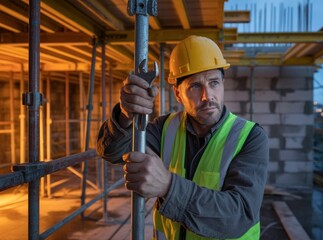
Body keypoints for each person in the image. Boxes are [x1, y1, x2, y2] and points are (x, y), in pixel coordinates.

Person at [97, 35, 269, 239]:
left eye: (214, 83)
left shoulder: (250, 137)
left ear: (223, 84)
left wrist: (168, 187)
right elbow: (110, 151)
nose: (207, 96)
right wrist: (125, 115)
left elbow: (239, 215)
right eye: (195, 86)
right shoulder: (165, 128)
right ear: (178, 94)